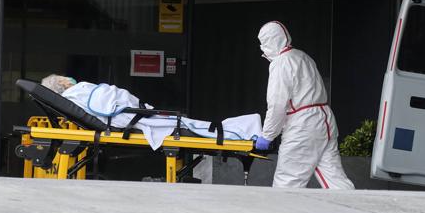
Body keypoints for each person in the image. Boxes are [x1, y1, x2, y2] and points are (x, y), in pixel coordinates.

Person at [40, 74, 262, 150]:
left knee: (188, 124)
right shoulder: (77, 92)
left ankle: (243, 128)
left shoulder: (75, 96)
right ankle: (242, 129)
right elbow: (109, 99)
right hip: (131, 117)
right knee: (187, 125)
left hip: (133, 115)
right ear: (63, 83)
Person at [255, 21, 355, 189]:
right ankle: (357, 211)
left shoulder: (281, 63)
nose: (262, 48)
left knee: (287, 183)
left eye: (263, 43)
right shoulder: (303, 56)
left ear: (270, 41)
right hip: (325, 120)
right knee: (335, 179)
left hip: (303, 126)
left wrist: (268, 135)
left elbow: (277, 104)